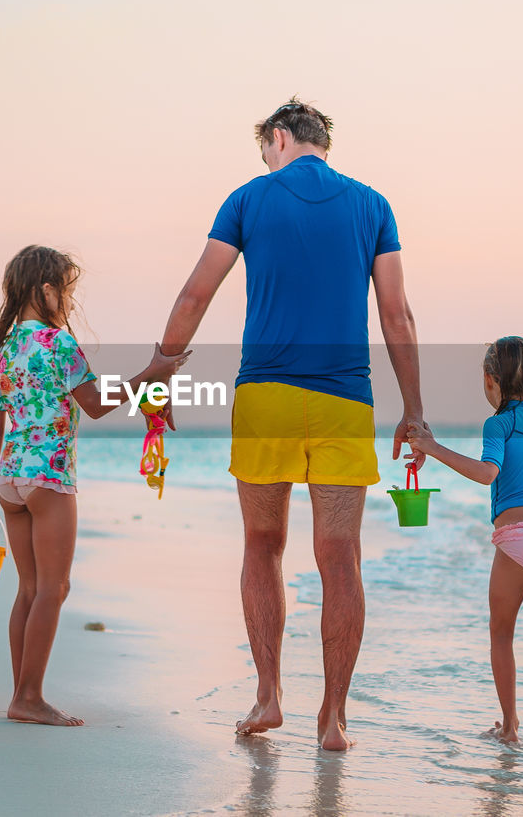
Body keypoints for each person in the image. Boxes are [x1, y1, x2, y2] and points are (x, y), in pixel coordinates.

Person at [156, 99, 425, 750]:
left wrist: (161, 370)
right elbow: (396, 316)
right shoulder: (372, 205)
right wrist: (414, 409)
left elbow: (196, 294)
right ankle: (333, 717)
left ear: (279, 139)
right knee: (340, 559)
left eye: (267, 152)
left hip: (267, 396)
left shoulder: (248, 200)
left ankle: (269, 693)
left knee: (261, 545)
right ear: (321, 143)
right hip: (343, 401)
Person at [0, 245, 188, 726]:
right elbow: (95, 403)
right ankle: (29, 698)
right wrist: (152, 374)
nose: (69, 303)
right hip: (50, 477)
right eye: (66, 293)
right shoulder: (58, 344)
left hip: (10, 481)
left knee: (28, 588)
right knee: (55, 587)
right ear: (46, 291)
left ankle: (20, 694)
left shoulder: (6, 349)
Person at [405, 336, 523, 753]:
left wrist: (432, 448)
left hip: (518, 540)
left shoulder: (498, 424)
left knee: (500, 633)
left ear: (492, 380)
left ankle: (510, 727)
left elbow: (488, 473)